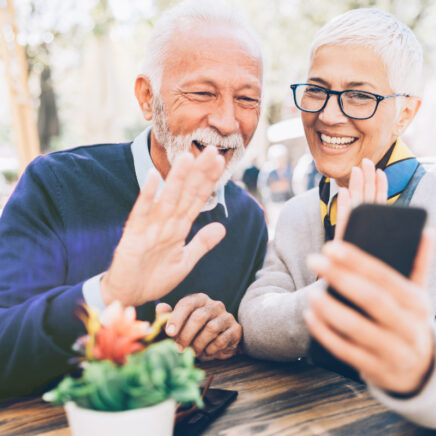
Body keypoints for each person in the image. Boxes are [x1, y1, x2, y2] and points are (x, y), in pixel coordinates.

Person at [0, 0, 267, 398]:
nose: (228, 122)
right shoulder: (56, 186)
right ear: (147, 97)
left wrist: (228, 336)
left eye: (247, 99)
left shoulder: (247, 220)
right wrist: (109, 296)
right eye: (202, 92)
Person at [238, 8, 436, 428]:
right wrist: (335, 292)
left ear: (406, 113)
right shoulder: (299, 212)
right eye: (316, 90)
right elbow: (254, 323)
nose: (329, 115)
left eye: (360, 95)